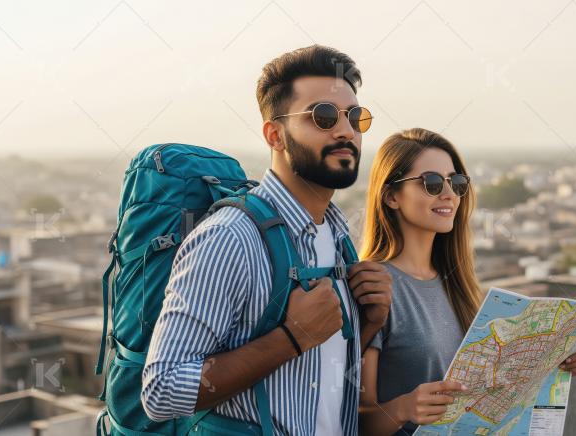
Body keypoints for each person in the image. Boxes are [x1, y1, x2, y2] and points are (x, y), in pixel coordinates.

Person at [141, 45, 393, 435]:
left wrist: (368, 324)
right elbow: (161, 390)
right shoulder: (230, 239)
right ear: (275, 134)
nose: (346, 131)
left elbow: (316, 378)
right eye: (323, 117)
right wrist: (291, 337)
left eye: (355, 117)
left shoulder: (338, 236)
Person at [358, 128, 576, 435]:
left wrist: (553, 359)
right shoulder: (374, 285)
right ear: (390, 196)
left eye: (456, 182)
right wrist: (404, 408)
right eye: (432, 183)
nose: (449, 194)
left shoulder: (456, 284)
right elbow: (354, 419)